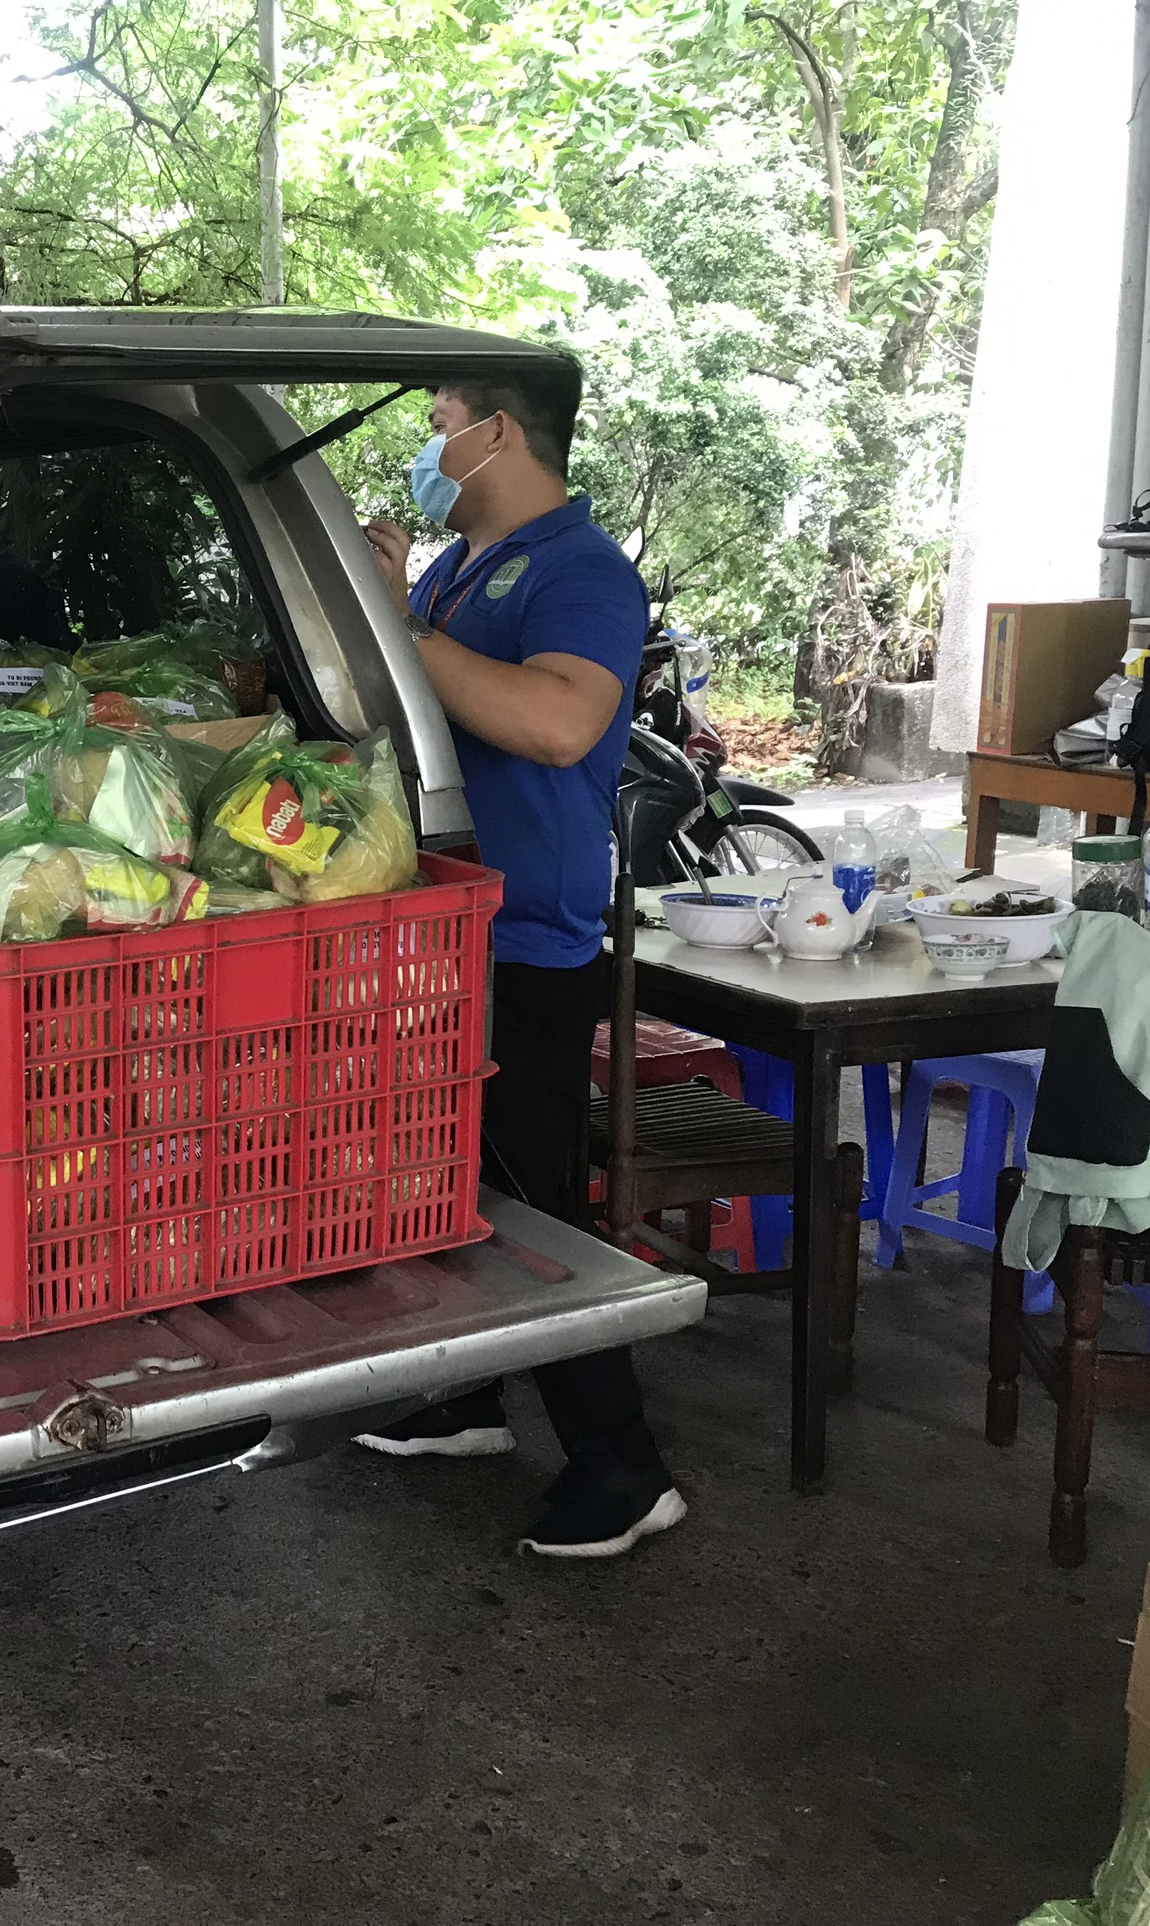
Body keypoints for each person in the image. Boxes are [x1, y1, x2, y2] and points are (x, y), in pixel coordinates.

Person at [357, 363, 687, 1559]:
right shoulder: (458, 566)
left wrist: (403, 626)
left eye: (440, 424)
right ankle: (467, 1396)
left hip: (526, 936)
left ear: (499, 431)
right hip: (441, 928)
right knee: (450, 1179)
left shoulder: (581, 570)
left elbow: (557, 724)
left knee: (536, 1203)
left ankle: (624, 1467)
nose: (428, 445)